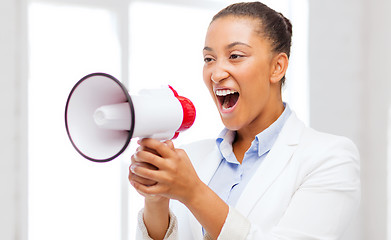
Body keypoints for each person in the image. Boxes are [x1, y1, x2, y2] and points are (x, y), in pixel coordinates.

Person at [129, 2, 361, 239]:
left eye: (235, 56)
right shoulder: (191, 158)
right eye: (209, 59)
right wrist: (156, 200)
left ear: (277, 67)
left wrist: (193, 192)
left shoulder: (330, 158)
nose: (217, 74)